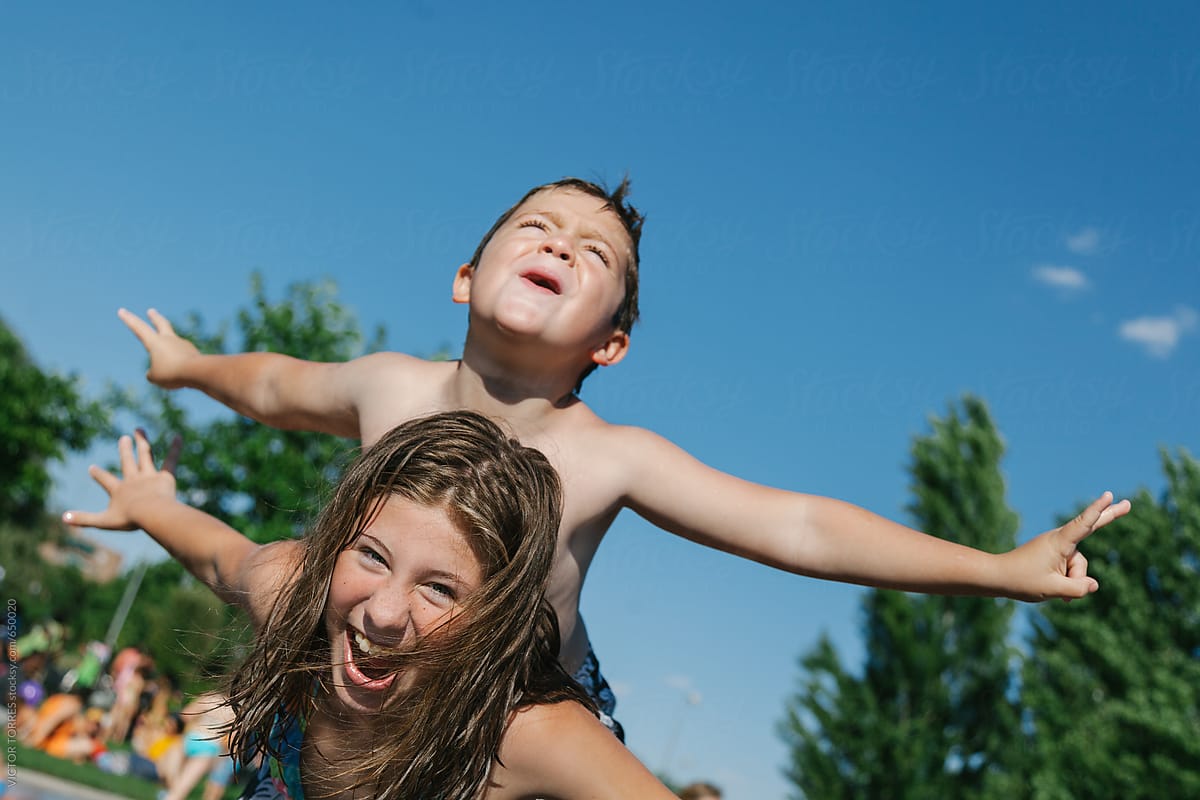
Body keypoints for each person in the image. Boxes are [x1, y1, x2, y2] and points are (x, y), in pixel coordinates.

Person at [118, 176, 1132, 736]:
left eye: (594, 253)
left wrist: (997, 567)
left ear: (611, 344)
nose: (560, 245)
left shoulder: (607, 457)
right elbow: (276, 385)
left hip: (514, 717)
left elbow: (798, 526)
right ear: (467, 277)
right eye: (537, 227)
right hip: (365, 689)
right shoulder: (388, 386)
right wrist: (191, 365)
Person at [63, 413, 676, 799]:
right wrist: (148, 504)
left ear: (491, 621)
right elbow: (221, 557)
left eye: (439, 589)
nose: (383, 613)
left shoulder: (519, 734)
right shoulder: (298, 601)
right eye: (373, 556)